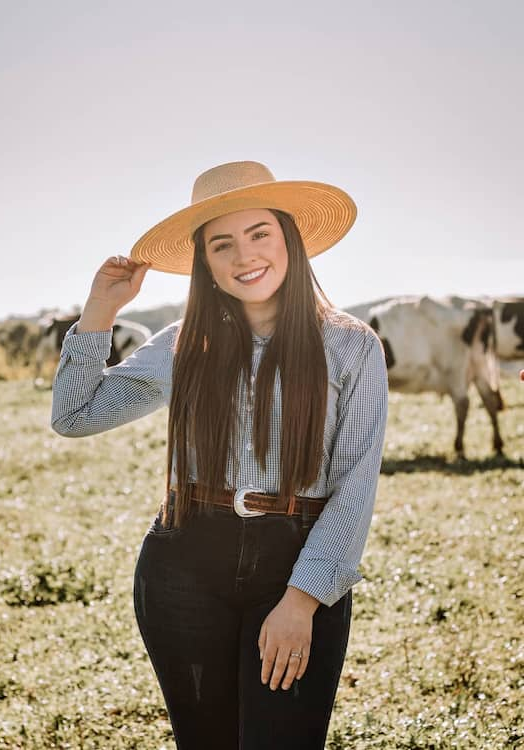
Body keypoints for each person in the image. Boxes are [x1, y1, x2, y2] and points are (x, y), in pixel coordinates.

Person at [51, 161, 388, 749]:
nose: (244, 255)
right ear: (205, 262)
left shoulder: (351, 345)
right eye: (221, 244)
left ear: (290, 238)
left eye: (260, 233)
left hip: (296, 560)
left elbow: (355, 486)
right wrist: (100, 310)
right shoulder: (185, 343)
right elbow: (74, 416)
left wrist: (300, 601)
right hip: (183, 564)